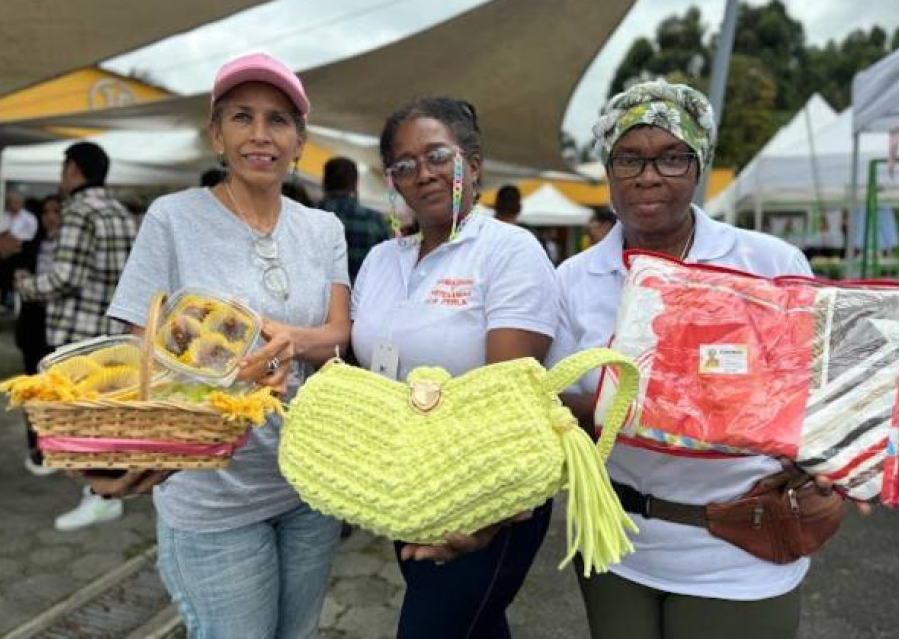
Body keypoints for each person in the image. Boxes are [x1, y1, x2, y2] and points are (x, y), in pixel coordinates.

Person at [547, 80, 855, 639]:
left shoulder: (767, 262)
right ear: (608, 171)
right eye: (628, 159)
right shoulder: (574, 278)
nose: (648, 174)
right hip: (616, 542)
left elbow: (816, 386)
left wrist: (837, 461)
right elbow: (556, 401)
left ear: (699, 166)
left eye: (672, 157)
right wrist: (636, 406)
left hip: (739, 550)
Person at [96, 52, 351, 639]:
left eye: (278, 120)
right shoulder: (173, 219)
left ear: (299, 142)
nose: (260, 135)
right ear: (217, 134)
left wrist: (294, 339)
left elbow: (339, 332)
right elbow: (140, 341)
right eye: (242, 117)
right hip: (211, 492)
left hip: (309, 482)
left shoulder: (323, 229)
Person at [351, 97, 559, 639]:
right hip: (405, 483)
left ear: (473, 161)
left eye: (438, 156)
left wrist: (483, 513)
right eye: (403, 165)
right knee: (477, 628)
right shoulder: (382, 259)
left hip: (485, 495)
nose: (422, 174)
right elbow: (358, 358)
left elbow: (505, 392)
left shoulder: (509, 251)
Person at [15, 142, 138, 531]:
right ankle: (109, 491)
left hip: (80, 334)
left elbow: (64, 278)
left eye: (63, 168)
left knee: (87, 421)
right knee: (107, 417)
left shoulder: (79, 211)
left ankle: (101, 496)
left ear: (74, 170)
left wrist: (23, 283)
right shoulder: (120, 212)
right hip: (115, 331)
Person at [12, 194, 63, 475]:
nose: (51, 217)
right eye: (46, 212)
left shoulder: (71, 247)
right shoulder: (33, 246)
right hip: (33, 328)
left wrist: (33, 287)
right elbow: (18, 278)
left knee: (58, 393)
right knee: (32, 391)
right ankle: (38, 446)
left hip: (59, 332)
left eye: (56, 211)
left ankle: (60, 445)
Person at [317, 156, 390, 282]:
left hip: (316, 299)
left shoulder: (308, 217)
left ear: (324, 182)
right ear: (355, 184)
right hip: (361, 298)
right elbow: (387, 268)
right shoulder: (375, 221)